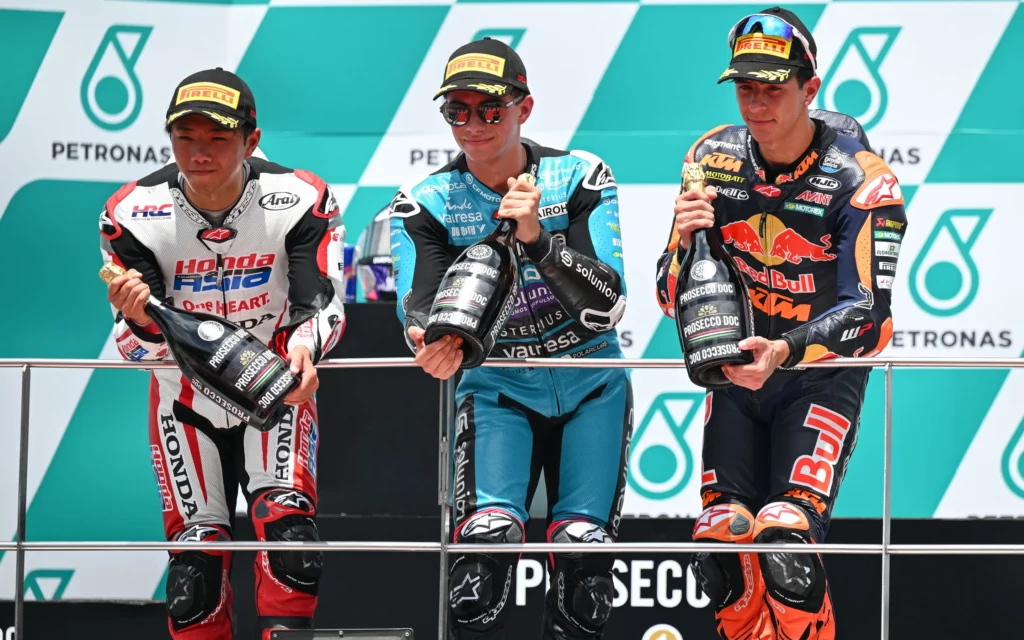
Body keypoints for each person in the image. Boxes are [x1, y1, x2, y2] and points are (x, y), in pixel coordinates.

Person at [655, 7, 908, 639]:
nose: (757, 103)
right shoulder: (709, 159)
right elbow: (669, 299)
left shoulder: (863, 180)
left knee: (785, 544)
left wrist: (783, 350)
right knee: (722, 544)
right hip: (737, 379)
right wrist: (684, 245)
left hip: (819, 377)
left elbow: (873, 321)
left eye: (774, 88)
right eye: (746, 87)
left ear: (810, 89)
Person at [390, 38, 632, 640]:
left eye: (490, 109)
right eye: (457, 111)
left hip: (591, 379)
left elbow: (609, 302)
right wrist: (429, 340)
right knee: (479, 574)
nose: (473, 125)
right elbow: (419, 305)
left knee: (586, 581)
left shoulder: (579, 174)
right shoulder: (424, 204)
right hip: (498, 385)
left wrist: (536, 238)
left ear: (525, 107)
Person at [100, 68, 346, 639]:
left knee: (292, 548)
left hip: (277, 389)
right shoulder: (131, 211)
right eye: (185, 137)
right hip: (182, 405)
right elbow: (134, 351)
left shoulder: (300, 197)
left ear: (251, 140)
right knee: (194, 575)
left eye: (216, 138)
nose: (199, 152)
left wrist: (307, 348)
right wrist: (141, 320)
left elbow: (322, 300)